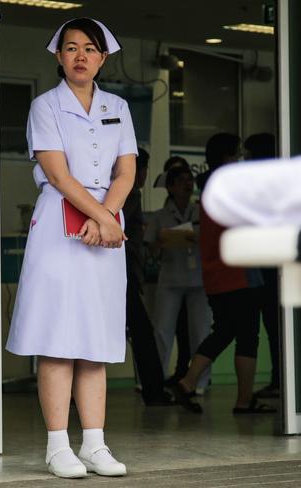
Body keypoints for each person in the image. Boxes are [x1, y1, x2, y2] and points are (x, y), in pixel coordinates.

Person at [6, 18, 137, 479]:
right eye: (71, 48)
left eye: (90, 48)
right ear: (58, 56)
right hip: (63, 220)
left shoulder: (118, 105)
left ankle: (96, 443)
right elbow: (59, 175)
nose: (80, 55)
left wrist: (108, 217)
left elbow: (125, 172)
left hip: (107, 223)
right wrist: (104, 219)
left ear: (103, 57)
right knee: (58, 336)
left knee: (95, 337)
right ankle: (58, 445)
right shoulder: (45, 106)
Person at [172, 133, 275, 415]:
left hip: (216, 273)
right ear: (228, 157)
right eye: (237, 153)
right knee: (247, 336)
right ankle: (244, 400)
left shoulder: (208, 189)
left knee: (225, 330)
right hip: (240, 272)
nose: (242, 158)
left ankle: (187, 382)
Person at [145, 166, 212, 395]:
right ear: (171, 187)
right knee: (162, 331)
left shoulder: (200, 212)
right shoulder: (159, 216)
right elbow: (150, 253)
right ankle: (156, 379)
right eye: (181, 180)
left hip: (198, 280)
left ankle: (200, 382)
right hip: (170, 279)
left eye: (190, 180)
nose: (187, 184)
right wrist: (161, 242)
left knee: (201, 332)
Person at [122, 148, 174, 406]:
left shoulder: (124, 192)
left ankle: (154, 390)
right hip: (123, 274)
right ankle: (154, 391)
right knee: (143, 332)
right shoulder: (127, 192)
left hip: (124, 274)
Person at [243, 133, 280, 398]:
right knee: (275, 327)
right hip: (272, 265)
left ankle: (280, 379)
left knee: (273, 327)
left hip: (267, 266)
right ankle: (280, 378)